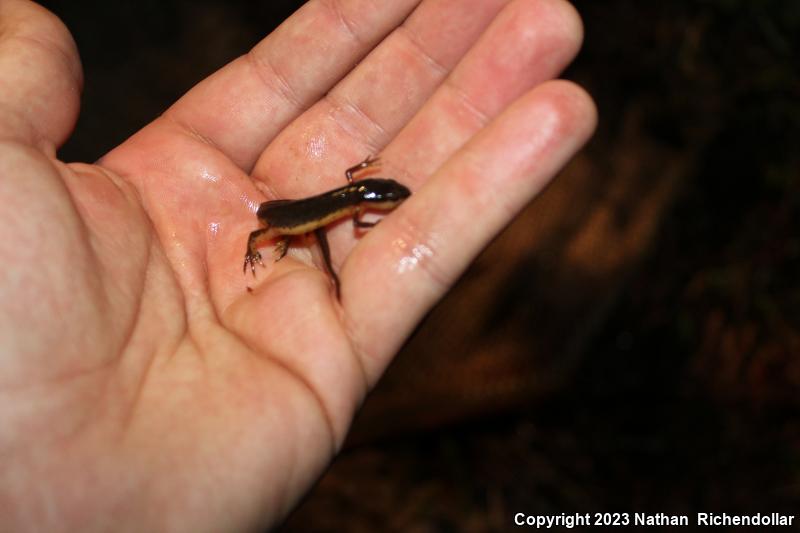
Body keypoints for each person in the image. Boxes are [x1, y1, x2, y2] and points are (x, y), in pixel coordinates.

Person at [0, 0, 596, 530]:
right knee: (290, 226)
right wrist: (260, 242)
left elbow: (355, 201)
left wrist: (363, 191)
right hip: (281, 216)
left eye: (379, 196)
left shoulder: (354, 201)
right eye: (380, 195)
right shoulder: (294, 220)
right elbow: (283, 218)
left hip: (305, 211)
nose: (380, 199)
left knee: (334, 213)